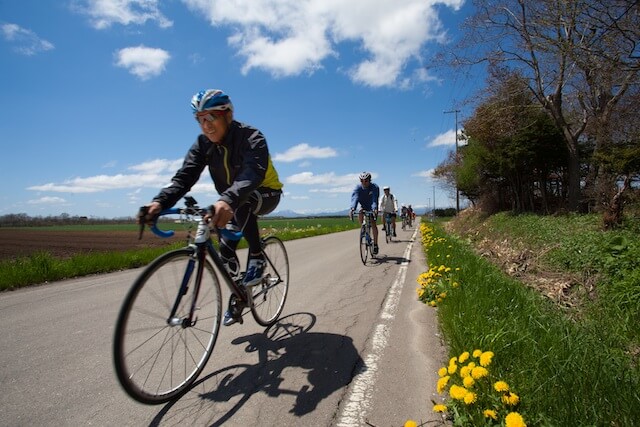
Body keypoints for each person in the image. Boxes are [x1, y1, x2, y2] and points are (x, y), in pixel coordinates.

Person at [138, 89, 283, 326]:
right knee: (225, 250)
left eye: (211, 117)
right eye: (200, 119)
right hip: (232, 200)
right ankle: (239, 296)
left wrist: (227, 200)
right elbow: (184, 178)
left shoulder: (251, 137)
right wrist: (159, 202)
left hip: (266, 192)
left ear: (227, 114)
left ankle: (257, 257)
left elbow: (252, 173)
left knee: (243, 200)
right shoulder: (203, 144)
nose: (205, 125)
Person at [350, 172, 380, 254]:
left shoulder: (374, 187)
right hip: (363, 205)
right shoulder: (358, 188)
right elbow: (355, 198)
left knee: (373, 223)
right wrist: (352, 208)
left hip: (372, 206)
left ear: (369, 180)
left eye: (366, 181)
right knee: (360, 212)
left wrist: (374, 209)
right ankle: (364, 230)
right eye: (362, 181)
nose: (364, 183)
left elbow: (374, 199)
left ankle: (376, 244)